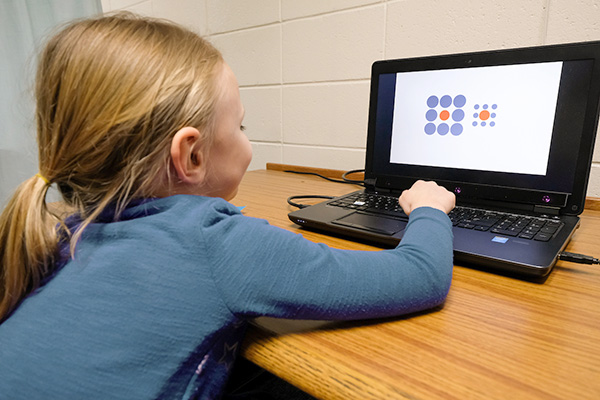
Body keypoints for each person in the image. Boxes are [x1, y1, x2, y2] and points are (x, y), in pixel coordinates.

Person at [0, 12, 455, 400]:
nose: (247, 139)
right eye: (242, 125)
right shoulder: (213, 242)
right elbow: (422, 275)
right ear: (191, 155)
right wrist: (430, 208)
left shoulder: (56, 233)